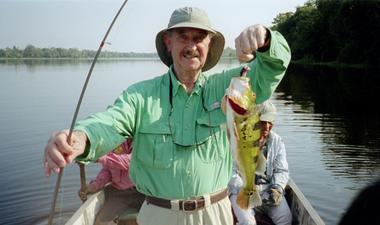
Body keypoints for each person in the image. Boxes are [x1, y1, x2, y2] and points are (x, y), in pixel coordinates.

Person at [43, 6, 291, 225]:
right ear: (168, 42)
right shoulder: (140, 95)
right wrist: (79, 137)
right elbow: (110, 123)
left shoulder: (230, 85)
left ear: (209, 45)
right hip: (157, 214)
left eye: (199, 38)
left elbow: (270, 71)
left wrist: (267, 40)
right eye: (183, 37)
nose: (191, 46)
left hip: (214, 214)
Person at [229, 101, 292, 225]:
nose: (267, 126)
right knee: (247, 222)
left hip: (267, 191)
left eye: (271, 122)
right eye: (263, 122)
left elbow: (281, 170)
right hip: (242, 191)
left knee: (286, 219)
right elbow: (229, 172)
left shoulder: (277, 141)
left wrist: (277, 188)